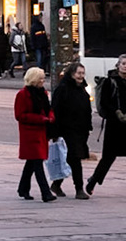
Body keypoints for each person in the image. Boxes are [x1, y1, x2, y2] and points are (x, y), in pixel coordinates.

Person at [50, 62, 93, 200]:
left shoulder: (82, 89)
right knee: (75, 158)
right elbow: (55, 110)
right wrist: (55, 133)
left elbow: (87, 110)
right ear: (72, 74)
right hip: (67, 129)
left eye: (82, 73)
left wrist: (88, 127)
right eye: (78, 73)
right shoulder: (63, 89)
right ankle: (79, 188)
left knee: (69, 159)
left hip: (81, 130)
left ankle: (56, 184)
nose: (81, 76)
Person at [16, 66, 58, 200]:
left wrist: (50, 116)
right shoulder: (23, 94)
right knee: (37, 162)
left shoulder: (43, 93)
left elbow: (48, 108)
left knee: (32, 162)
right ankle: (45, 192)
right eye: (41, 78)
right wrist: (41, 119)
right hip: (30, 133)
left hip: (41, 131)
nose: (43, 81)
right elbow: (20, 115)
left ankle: (23, 189)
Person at [92, 54, 126, 191]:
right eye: (123, 63)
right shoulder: (109, 81)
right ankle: (93, 181)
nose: (125, 66)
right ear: (118, 66)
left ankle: (94, 180)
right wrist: (116, 112)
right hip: (114, 124)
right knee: (109, 156)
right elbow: (105, 102)